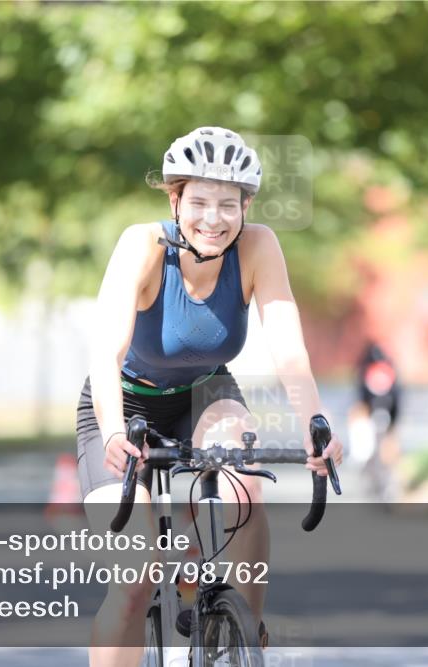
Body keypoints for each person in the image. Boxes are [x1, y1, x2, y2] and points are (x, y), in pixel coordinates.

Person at [76, 126, 343, 667]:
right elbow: (104, 351)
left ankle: (244, 630)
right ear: (175, 200)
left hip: (205, 390)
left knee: (245, 478)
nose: (213, 218)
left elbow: (288, 349)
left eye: (228, 203)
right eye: (198, 201)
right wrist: (110, 432)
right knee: (134, 582)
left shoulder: (259, 246)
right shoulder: (142, 247)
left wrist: (316, 425)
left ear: (246, 205)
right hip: (123, 403)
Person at [347, 342, 402, 501]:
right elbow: (397, 397)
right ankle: (385, 481)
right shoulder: (389, 370)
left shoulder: (365, 372)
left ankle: (378, 479)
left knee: (373, 450)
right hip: (386, 412)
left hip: (373, 413)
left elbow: (360, 399)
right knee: (384, 450)